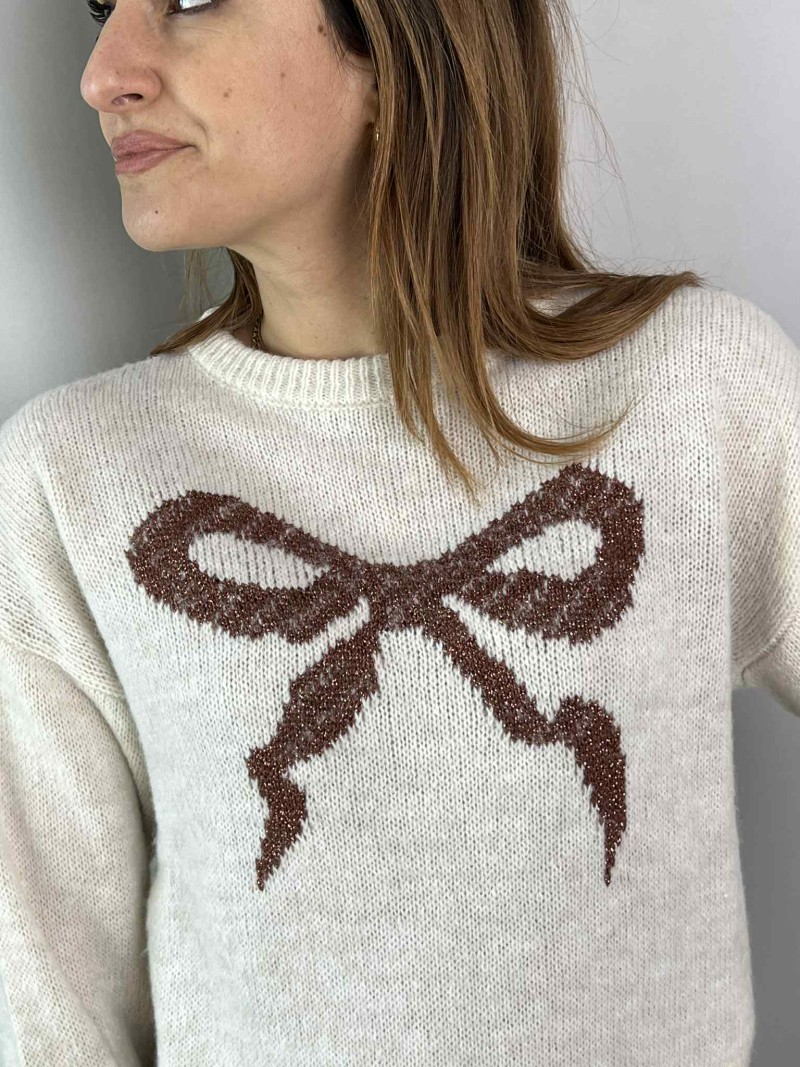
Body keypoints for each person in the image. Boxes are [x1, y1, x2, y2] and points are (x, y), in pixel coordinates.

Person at [1, 1, 797, 1065]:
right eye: (103, 8)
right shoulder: (72, 474)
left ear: (397, 45)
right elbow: (52, 1014)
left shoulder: (695, 392)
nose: (104, 75)